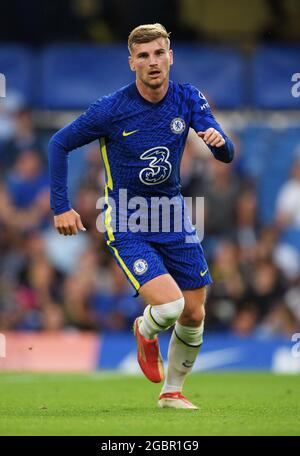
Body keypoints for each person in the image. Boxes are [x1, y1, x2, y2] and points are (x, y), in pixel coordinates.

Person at [48, 23, 234, 409]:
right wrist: (61, 206)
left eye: (159, 53)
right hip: (128, 219)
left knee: (196, 312)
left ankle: (172, 392)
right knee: (169, 307)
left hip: (173, 216)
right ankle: (144, 327)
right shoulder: (111, 109)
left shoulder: (187, 98)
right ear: (132, 62)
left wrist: (221, 143)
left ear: (171, 57)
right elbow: (58, 142)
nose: (153, 62)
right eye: (144, 55)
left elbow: (225, 151)